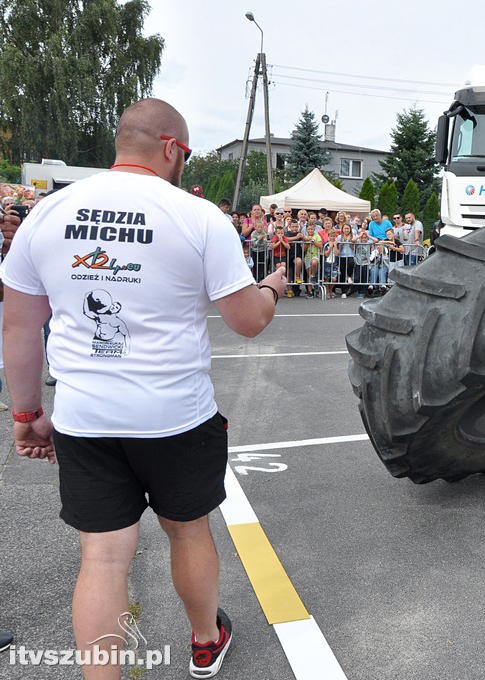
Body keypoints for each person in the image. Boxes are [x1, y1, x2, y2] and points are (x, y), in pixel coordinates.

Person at [0, 98, 287, 679]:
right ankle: (205, 640)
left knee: (103, 558)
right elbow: (247, 320)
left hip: (86, 416)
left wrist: (27, 411)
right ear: (170, 147)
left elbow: (19, 326)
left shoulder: (48, 213)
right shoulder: (199, 217)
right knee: (188, 530)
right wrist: (272, 288)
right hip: (175, 415)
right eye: (186, 153)